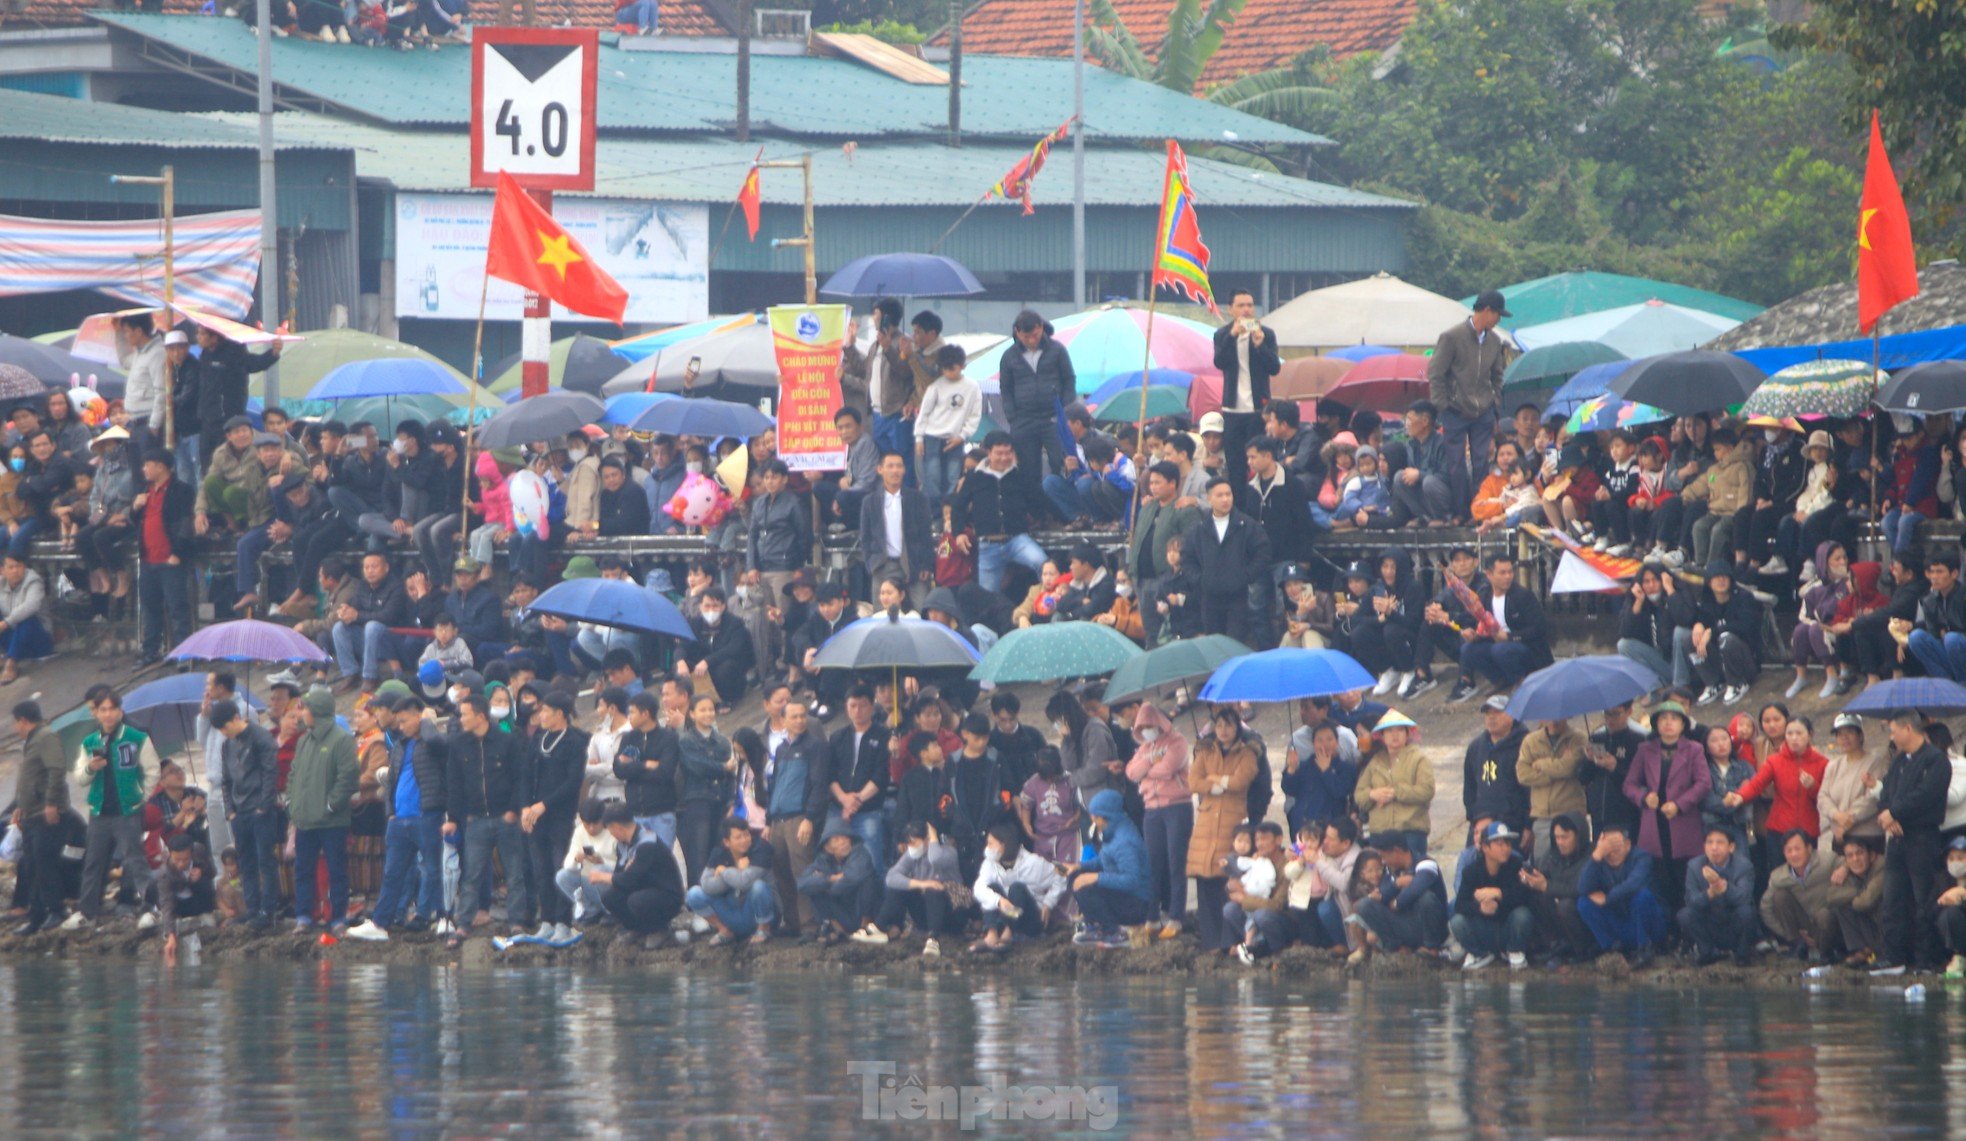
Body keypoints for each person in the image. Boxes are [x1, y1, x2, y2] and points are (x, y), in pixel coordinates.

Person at [64, 689, 161, 929]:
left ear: (120, 710)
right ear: (96, 713)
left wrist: (140, 797)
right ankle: (87, 913)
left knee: (135, 859)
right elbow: (79, 777)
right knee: (93, 863)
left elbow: (153, 770)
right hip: (99, 811)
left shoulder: (136, 737)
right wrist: (90, 768)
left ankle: (153, 908)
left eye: (111, 709)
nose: (107, 715)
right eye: (102, 710)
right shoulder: (91, 742)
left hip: (127, 811)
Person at [444, 693, 529, 945]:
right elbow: (454, 783)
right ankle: (464, 925)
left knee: (514, 873)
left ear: (480, 716)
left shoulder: (507, 741)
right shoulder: (458, 744)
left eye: (465, 713)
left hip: (506, 817)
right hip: (476, 819)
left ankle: (515, 922)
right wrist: (454, 817)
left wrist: (515, 809)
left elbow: (520, 778)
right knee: (471, 874)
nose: (461, 718)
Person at [1875, 711, 1950, 974]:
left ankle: (1926, 958)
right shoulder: (1898, 761)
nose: (1892, 736)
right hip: (1896, 837)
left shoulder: (1936, 760)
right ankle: (1893, 956)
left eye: (1894, 730)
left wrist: (1895, 812)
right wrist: (1887, 815)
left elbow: (1926, 795)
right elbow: (1885, 792)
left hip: (1922, 836)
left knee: (1923, 898)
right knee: (1893, 898)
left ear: (1909, 728)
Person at [1427, 290, 1510, 514]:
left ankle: (1478, 509)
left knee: (1482, 461)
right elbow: (1436, 373)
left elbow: (1497, 376)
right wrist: (1443, 405)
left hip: (1483, 409)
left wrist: (1494, 405)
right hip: (1455, 409)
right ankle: (1460, 511)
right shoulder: (1452, 337)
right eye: (1497, 315)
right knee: (1456, 464)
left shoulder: (1494, 341)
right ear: (1486, 311)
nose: (1498, 320)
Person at [1624, 701, 1710, 913]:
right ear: (1656, 724)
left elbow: (1703, 783)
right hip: (1654, 823)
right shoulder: (1645, 750)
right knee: (1659, 878)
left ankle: (1688, 929)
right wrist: (1644, 797)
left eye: (1674, 719)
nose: (1668, 723)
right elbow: (1629, 785)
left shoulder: (1694, 749)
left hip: (1683, 821)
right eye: (1663, 719)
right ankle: (1667, 929)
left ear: (1683, 724)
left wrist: (1680, 804)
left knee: (1685, 877)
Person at [516, 692, 588, 943]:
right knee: (541, 870)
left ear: (559, 713)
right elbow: (524, 775)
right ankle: (546, 920)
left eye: (545, 711)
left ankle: (564, 922)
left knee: (560, 868)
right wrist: (526, 807)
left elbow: (573, 782)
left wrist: (543, 805)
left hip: (560, 815)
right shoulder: (538, 738)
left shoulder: (576, 741)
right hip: (536, 816)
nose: (540, 716)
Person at [287, 687, 359, 934]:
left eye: (305, 708)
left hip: (332, 822)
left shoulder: (341, 739)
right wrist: (292, 803)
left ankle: (338, 917)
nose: (301, 713)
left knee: (337, 870)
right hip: (305, 820)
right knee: (303, 870)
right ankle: (304, 916)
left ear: (316, 711)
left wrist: (331, 804)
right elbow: (294, 774)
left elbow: (348, 776)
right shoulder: (304, 740)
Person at [1188, 706, 1257, 952]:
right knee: (1205, 883)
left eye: (1228, 725)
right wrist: (1216, 783)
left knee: (1227, 880)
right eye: (1219, 725)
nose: (1223, 730)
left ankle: (1229, 940)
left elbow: (1241, 781)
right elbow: (1193, 782)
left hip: (1232, 821)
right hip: (1206, 824)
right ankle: (1210, 942)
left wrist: (1216, 781)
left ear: (1237, 726)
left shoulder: (1247, 752)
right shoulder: (1205, 752)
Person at [947, 431, 1047, 594]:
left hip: (1017, 540)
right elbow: (958, 506)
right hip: (988, 545)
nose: (1004, 458)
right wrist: (958, 533)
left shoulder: (1020, 475)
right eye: (999, 453)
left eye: (1008, 453)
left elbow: (1039, 501)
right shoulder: (974, 476)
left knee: (1042, 562)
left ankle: (1046, 603)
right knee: (987, 597)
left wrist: (1045, 519)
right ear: (988, 452)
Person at [1725, 715, 1828, 872]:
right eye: (1790, 733)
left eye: (1799, 733)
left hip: (1808, 829)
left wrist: (1813, 786)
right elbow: (1757, 784)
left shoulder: (1822, 763)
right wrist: (1740, 796)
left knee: (1808, 874)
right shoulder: (1775, 760)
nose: (1794, 738)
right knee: (1779, 875)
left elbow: (1826, 797)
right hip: (1779, 828)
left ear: (1810, 734)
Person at [1126, 702, 1192, 939]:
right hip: (1151, 809)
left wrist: (1147, 770)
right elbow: (1131, 773)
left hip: (1177, 807)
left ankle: (1176, 917)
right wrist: (1150, 762)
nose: (1145, 729)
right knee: (1153, 864)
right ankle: (1152, 917)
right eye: (1141, 726)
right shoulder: (1143, 747)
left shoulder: (1178, 741)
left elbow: (1167, 769)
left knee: (1176, 863)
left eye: (1149, 725)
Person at [766, 699, 829, 937]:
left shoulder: (815, 746)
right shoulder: (782, 748)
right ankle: (791, 920)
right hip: (778, 819)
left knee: (802, 869)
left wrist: (810, 818)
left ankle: (810, 923)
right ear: (783, 720)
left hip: (799, 817)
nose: (800, 720)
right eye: (794, 716)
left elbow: (818, 783)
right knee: (781, 870)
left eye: (803, 716)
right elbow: (776, 784)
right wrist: (768, 819)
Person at [1181, 477, 1271, 643]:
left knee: (1234, 644)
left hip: (1238, 597)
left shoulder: (1246, 525)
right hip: (1209, 598)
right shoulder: (1199, 528)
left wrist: (1246, 576)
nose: (1225, 499)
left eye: (1228, 494)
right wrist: (1200, 579)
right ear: (1209, 498)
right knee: (1214, 645)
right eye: (1220, 495)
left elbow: (1263, 553)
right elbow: (1187, 558)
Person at [1452, 553, 1552, 701]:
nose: (1508, 577)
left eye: (1510, 572)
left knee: (1501, 649)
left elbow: (1539, 628)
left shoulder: (1522, 596)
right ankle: (1500, 680)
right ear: (1489, 574)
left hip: (1526, 648)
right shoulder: (1485, 595)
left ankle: (1521, 681)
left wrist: (1510, 637)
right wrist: (1470, 632)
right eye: (1502, 573)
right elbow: (1474, 620)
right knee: (1468, 650)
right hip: (1497, 645)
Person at [11, 700, 70, 934]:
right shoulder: (32, 741)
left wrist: (52, 803)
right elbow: (30, 777)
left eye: (16, 723)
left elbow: (56, 770)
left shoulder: (46, 737)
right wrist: (19, 806)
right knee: (32, 863)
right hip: (31, 813)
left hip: (46, 813)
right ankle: (37, 914)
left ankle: (57, 908)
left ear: (23, 720)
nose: (15, 728)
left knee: (45, 862)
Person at [865, 821, 965, 955]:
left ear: (927, 839)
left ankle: (933, 939)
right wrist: (921, 884)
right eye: (908, 843)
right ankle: (879, 927)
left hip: (949, 913)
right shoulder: (912, 856)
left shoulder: (949, 852)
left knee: (934, 889)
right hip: (924, 914)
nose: (910, 847)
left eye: (914, 842)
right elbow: (891, 878)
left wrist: (933, 837)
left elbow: (935, 859)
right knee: (901, 888)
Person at [1070, 788, 1153, 948]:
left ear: (1106, 816)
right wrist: (1078, 866)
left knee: (1086, 889)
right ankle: (1094, 926)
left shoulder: (1124, 841)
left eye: (1095, 816)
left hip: (1136, 903)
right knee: (1075, 876)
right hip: (1121, 895)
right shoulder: (1111, 831)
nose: (1092, 819)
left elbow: (1132, 880)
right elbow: (1104, 861)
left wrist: (1095, 878)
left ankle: (1113, 932)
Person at [1212, 291, 1280, 486]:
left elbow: (1274, 367)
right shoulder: (1222, 334)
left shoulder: (1265, 333)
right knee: (1236, 464)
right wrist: (1233, 336)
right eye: (1241, 306)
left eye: (1250, 305)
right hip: (1232, 409)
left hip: (1258, 408)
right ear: (1230, 309)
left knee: (1258, 460)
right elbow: (1220, 362)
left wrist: (1260, 346)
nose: (1247, 310)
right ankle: (1238, 507)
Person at [998, 309, 1074, 480]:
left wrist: (1065, 408)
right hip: (1023, 419)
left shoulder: (1057, 350)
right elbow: (1006, 388)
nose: (1032, 340)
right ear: (1017, 332)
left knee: (1060, 461)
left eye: (1035, 335)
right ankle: (1033, 505)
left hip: (1053, 416)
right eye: (1026, 337)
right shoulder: (1009, 356)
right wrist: (1012, 416)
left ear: (1041, 328)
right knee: (1028, 468)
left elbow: (1069, 379)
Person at [593, 802, 685, 940]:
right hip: (642, 888)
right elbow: (621, 874)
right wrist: (623, 871)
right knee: (610, 897)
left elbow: (628, 879)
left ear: (617, 828)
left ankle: (659, 929)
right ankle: (638, 929)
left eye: (611, 831)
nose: (612, 835)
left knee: (636, 901)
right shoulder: (622, 845)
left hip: (666, 895)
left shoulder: (647, 843)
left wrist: (602, 876)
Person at [1451, 821, 1536, 970]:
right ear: (1485, 847)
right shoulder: (1471, 871)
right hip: (1483, 929)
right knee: (1457, 922)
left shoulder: (1516, 865)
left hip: (1507, 927)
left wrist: (1499, 893)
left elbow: (1526, 897)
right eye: (1499, 844)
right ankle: (1479, 953)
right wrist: (1480, 908)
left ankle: (1514, 950)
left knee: (1523, 915)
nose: (1506, 848)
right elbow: (1460, 904)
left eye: (1508, 844)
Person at [1575, 826, 1665, 966]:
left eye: (1616, 846)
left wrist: (1608, 898)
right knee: (1583, 902)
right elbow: (1582, 888)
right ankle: (1611, 948)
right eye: (1608, 847)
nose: (1612, 852)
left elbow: (1634, 884)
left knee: (1642, 896)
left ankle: (1645, 949)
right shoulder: (1599, 861)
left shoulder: (1641, 857)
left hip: (1647, 925)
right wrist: (1598, 854)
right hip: (1621, 924)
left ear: (1628, 844)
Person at [971, 822, 1066, 953]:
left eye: (991, 843)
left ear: (1003, 845)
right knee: (991, 888)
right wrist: (999, 901)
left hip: (1029, 919)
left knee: (1017, 888)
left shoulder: (1033, 863)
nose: (987, 847)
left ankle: (1008, 935)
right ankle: (991, 935)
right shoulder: (989, 863)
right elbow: (978, 888)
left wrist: (1048, 903)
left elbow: (1061, 877)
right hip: (1003, 917)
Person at [1680, 561, 1764, 707]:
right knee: (1689, 638)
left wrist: (1713, 632)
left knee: (1727, 638)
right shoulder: (1707, 601)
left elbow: (1745, 626)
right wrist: (1698, 625)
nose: (1721, 580)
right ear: (1709, 582)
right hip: (1721, 662)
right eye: (1716, 577)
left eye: (1724, 576)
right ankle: (1714, 682)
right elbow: (1698, 618)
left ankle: (1737, 683)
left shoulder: (1744, 597)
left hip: (1746, 661)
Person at [685, 816, 778, 945]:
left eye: (746, 835)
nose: (744, 840)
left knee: (758, 886)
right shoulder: (719, 853)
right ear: (727, 842)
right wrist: (735, 872)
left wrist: (724, 871)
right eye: (738, 837)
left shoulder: (761, 848)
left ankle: (763, 929)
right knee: (694, 894)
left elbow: (744, 882)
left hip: (753, 912)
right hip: (731, 910)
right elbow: (706, 885)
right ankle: (724, 931)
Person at [859, 450, 934, 607]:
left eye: (899, 466)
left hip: (913, 564)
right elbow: (865, 537)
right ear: (880, 469)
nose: (895, 471)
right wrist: (871, 564)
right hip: (882, 564)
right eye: (890, 466)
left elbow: (926, 534)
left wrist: (927, 564)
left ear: (904, 470)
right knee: (882, 615)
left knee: (920, 610)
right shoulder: (870, 501)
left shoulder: (917, 498)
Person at [1354, 710, 1432, 857]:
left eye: (1400, 730)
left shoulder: (1419, 759)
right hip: (1379, 833)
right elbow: (1359, 795)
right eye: (1389, 731)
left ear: (1407, 734)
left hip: (1410, 831)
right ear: (1382, 736)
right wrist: (1373, 794)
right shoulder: (1376, 761)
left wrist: (1395, 792)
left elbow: (1426, 790)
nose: (1394, 735)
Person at [914, 344, 981, 510]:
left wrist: (963, 436)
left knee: (952, 478)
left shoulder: (972, 387)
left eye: (953, 369)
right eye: (945, 369)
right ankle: (935, 514)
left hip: (956, 439)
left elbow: (974, 415)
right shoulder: (935, 387)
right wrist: (919, 438)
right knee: (932, 478)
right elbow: (924, 414)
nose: (949, 373)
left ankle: (950, 514)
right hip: (932, 437)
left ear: (963, 366)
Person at [797, 815, 881, 946]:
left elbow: (852, 878)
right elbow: (801, 884)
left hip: (859, 909)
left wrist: (824, 883)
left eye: (845, 838)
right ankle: (837, 930)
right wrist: (830, 879)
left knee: (868, 880)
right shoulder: (821, 860)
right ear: (827, 846)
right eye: (836, 839)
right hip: (841, 914)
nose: (842, 842)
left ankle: (866, 927)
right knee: (814, 890)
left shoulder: (860, 853)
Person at [1680, 826, 1757, 966]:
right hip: (1710, 923)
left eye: (1720, 842)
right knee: (1685, 915)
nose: (1714, 848)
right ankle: (1708, 952)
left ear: (1731, 847)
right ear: (1704, 847)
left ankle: (1742, 955)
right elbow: (1690, 901)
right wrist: (1710, 894)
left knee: (1747, 912)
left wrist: (1721, 884)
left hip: (1733, 923)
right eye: (1709, 842)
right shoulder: (1694, 865)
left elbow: (1743, 898)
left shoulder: (1744, 866)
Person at [1522, 813, 1593, 962]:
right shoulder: (1553, 854)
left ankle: (1581, 951)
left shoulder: (1591, 855)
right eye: (1557, 837)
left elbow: (1580, 888)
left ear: (1578, 835)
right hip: (1560, 916)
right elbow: (1541, 874)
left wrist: (1547, 885)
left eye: (1565, 837)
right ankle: (1554, 945)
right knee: (1537, 897)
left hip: (1585, 913)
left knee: (1565, 905)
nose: (1560, 842)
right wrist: (1528, 878)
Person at [1281, 705, 1359, 839]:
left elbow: (1340, 791)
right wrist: (1291, 769)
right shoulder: (1306, 765)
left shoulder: (1346, 768)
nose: (1324, 744)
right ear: (1313, 743)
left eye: (1329, 739)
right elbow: (1289, 789)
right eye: (1319, 740)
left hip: (1330, 826)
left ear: (1337, 742)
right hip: (1303, 824)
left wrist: (1326, 771)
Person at [1761, 828, 1836, 960]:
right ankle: (1798, 945)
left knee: (1824, 915)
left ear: (1808, 848)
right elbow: (1765, 909)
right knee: (1779, 896)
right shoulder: (1778, 876)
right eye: (1789, 851)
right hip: (1804, 926)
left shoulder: (1827, 861)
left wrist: (1844, 870)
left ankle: (1827, 953)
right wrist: (1788, 933)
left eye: (1797, 849)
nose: (1794, 854)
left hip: (1827, 922)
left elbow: (1849, 863)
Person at [1516, 717, 1587, 856]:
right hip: (1542, 815)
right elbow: (1523, 774)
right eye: (1549, 717)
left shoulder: (1578, 738)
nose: (1554, 722)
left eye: (1558, 717)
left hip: (1571, 813)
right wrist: (1556, 770)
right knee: (1543, 864)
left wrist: (1540, 764)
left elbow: (1569, 768)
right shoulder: (1530, 741)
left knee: (1573, 862)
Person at [1818, 713, 1887, 854]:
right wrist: (1836, 814)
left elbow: (1871, 799)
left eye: (1849, 732)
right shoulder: (1833, 766)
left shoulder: (1875, 762)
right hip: (1839, 835)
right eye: (1839, 734)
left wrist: (1848, 821)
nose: (1844, 738)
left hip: (1868, 835)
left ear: (1860, 735)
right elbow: (1822, 796)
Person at [675, 587, 754, 708]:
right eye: (707, 606)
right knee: (678, 669)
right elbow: (682, 645)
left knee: (727, 667)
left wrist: (708, 661)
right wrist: (680, 662)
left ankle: (728, 700)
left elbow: (733, 649)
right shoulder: (694, 623)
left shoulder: (735, 623)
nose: (711, 610)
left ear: (723, 606)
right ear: (700, 606)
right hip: (700, 667)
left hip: (725, 666)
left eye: (715, 606)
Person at [1225, 822, 1292, 963]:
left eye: (1264, 839)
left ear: (1278, 840)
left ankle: (1276, 950)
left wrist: (1244, 898)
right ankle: (1253, 944)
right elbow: (1238, 882)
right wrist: (1232, 886)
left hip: (1282, 918)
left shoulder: (1287, 865)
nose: (1259, 844)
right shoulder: (1257, 860)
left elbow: (1278, 904)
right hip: (1257, 911)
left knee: (1262, 915)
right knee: (1230, 909)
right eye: (1257, 840)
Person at [1462, 696, 1528, 835]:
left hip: (1514, 825)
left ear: (1512, 715)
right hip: (1481, 824)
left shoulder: (1525, 745)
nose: (1491, 717)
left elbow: (1529, 790)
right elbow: (1470, 789)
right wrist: (1474, 818)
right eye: (1488, 713)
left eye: (1497, 713)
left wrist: (1529, 825)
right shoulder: (1476, 747)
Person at [1585, 701, 1648, 843]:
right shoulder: (1597, 738)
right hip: (1599, 813)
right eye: (1606, 714)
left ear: (1629, 712)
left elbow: (1641, 780)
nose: (1610, 719)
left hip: (1625, 814)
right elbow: (1583, 777)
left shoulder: (1638, 740)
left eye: (1615, 714)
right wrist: (1589, 760)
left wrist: (1615, 767)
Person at [554, 798, 619, 929]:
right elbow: (568, 865)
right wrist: (577, 859)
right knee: (562, 876)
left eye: (595, 823)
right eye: (587, 824)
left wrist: (602, 861)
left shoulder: (614, 832)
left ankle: (613, 911)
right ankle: (590, 911)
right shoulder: (579, 832)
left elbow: (624, 868)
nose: (591, 828)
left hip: (611, 884)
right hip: (589, 881)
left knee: (599, 869)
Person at [1828, 836, 1887, 967]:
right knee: (1840, 907)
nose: (1855, 859)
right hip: (1868, 923)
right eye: (1850, 855)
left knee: (1857, 905)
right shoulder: (1845, 872)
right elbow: (1831, 897)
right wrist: (1857, 892)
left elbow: (1865, 902)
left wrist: (1853, 897)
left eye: (1859, 853)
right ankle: (1861, 950)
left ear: (1871, 855)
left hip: (1887, 926)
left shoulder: (1881, 866)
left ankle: (1878, 952)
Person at [1908, 552, 1966, 682]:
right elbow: (1933, 633)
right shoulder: (1929, 601)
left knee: (1952, 639)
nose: (1934, 577)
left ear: (1954, 574)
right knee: (1916, 637)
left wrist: (1949, 633)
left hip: (1960, 649)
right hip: (1948, 650)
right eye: (1931, 572)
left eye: (1940, 572)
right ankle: (1944, 684)